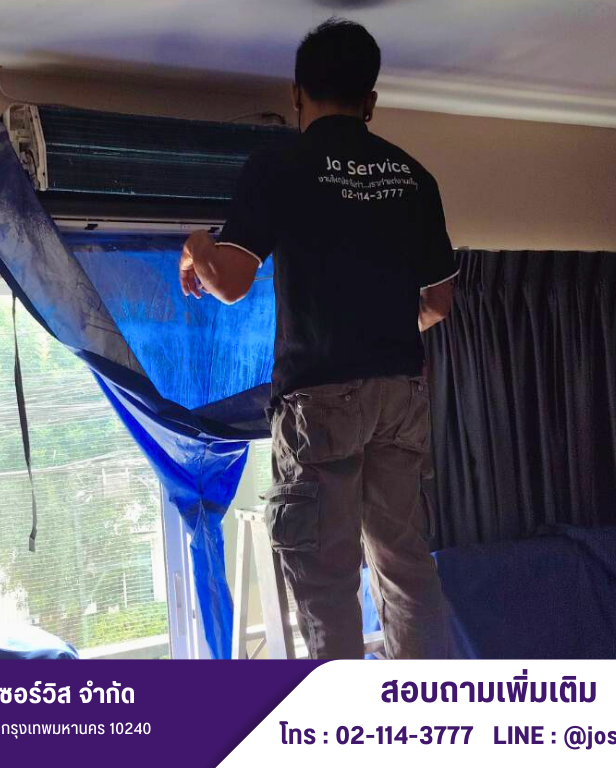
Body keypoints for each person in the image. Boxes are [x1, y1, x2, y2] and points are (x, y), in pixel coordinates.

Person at [178, 19, 458, 660]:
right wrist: (379, 324)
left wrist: (197, 244)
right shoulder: (413, 175)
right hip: (399, 394)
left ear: (297, 94)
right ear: (371, 101)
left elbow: (231, 284)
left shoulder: (281, 164)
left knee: (327, 582)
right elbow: (437, 303)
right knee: (405, 564)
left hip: (321, 401)